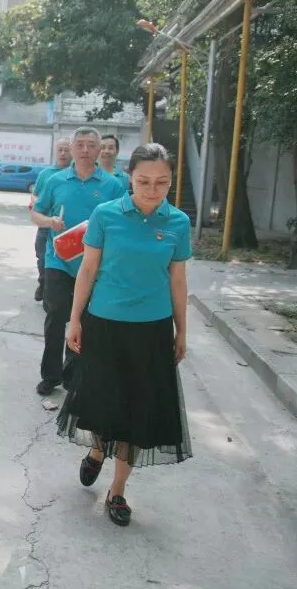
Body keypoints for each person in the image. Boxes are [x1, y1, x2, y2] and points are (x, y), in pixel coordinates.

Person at [57, 143, 193, 526]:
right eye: (143, 181)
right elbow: (87, 270)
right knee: (104, 404)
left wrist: (182, 330)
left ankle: (117, 490)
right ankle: (98, 451)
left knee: (138, 412)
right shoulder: (105, 214)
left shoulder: (178, 222)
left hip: (152, 331)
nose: (152, 190)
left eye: (162, 182)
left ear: (171, 182)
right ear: (129, 177)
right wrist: (74, 319)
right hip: (104, 325)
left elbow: (178, 280)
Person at [31, 127, 126, 397]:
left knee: (84, 319)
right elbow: (36, 214)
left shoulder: (113, 185)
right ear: (71, 148)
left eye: (91, 145)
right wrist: (50, 221)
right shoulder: (56, 181)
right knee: (56, 315)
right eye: (80, 144)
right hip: (58, 260)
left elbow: (121, 222)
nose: (85, 150)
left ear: (99, 150)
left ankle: (72, 374)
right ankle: (50, 375)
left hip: (94, 264)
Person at [30, 138, 72, 302]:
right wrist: (37, 202)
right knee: (42, 258)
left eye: (66, 150)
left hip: (65, 227)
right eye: (60, 150)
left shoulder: (75, 174)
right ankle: (43, 282)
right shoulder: (46, 174)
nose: (63, 153)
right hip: (46, 224)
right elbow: (35, 194)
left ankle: (53, 292)